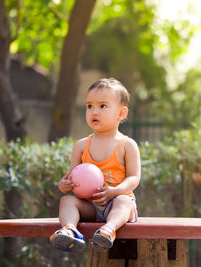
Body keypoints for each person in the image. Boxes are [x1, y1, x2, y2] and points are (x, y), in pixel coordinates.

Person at [49, 78, 141, 252]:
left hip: (116, 204)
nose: (94, 112)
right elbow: (71, 176)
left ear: (121, 114)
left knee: (124, 202)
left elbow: (134, 178)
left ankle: (109, 230)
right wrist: (65, 184)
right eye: (89, 106)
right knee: (67, 200)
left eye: (102, 106)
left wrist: (115, 191)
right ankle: (70, 229)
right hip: (91, 206)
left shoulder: (127, 145)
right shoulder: (82, 145)